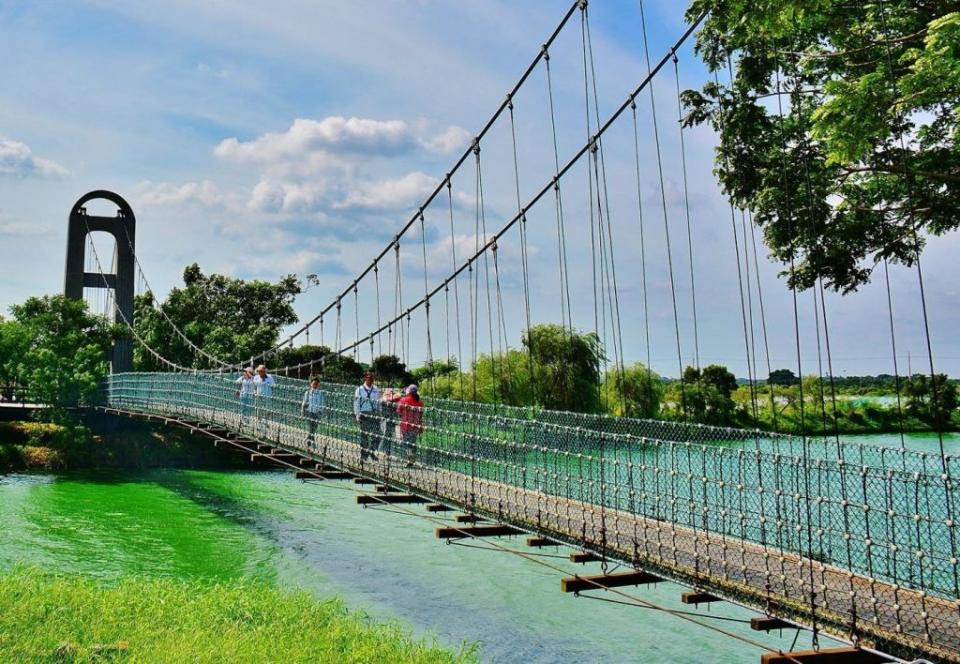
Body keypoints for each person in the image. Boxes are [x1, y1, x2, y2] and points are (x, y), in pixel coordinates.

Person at [353, 371, 381, 461]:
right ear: (365, 378)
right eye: (369, 377)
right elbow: (356, 402)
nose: (371, 379)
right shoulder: (360, 389)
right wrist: (357, 414)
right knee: (364, 435)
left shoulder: (376, 389)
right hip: (363, 413)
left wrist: (379, 413)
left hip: (374, 413)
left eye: (372, 377)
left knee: (378, 435)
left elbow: (378, 403)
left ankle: (371, 451)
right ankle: (364, 455)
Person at [396, 384, 425, 467]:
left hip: (406, 426)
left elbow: (398, 412)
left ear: (409, 391)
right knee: (412, 443)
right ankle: (412, 460)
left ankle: (409, 460)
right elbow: (421, 415)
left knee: (407, 443)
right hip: (415, 426)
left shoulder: (403, 400)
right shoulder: (420, 402)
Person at [301, 377, 325, 451]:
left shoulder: (320, 394)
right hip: (309, 412)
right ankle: (311, 443)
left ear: (318, 385)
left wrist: (321, 413)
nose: (315, 385)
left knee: (314, 429)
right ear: (311, 384)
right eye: (314, 384)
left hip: (317, 413)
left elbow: (322, 404)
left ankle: (310, 441)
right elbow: (304, 403)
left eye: (316, 384)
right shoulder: (307, 393)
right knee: (311, 428)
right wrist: (302, 413)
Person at [253, 364, 276, 436]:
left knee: (267, 411)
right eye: (259, 371)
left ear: (264, 371)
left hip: (267, 397)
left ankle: (266, 422)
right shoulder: (256, 377)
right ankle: (259, 424)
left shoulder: (270, 377)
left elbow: (274, 386)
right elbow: (254, 387)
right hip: (259, 396)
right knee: (259, 411)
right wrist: (255, 393)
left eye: (262, 371)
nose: (260, 372)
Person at [379, 387, 400, 457]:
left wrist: (392, 396)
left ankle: (387, 452)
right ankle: (382, 450)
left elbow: (398, 396)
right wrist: (390, 397)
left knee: (389, 436)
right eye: (389, 392)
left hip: (391, 420)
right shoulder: (383, 399)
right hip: (384, 420)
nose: (390, 393)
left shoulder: (394, 398)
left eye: (392, 392)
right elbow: (385, 400)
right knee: (385, 435)